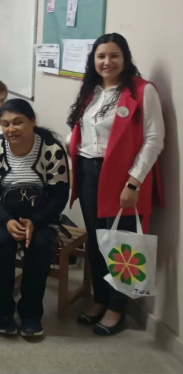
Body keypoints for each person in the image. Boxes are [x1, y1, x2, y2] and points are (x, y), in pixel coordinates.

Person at [67, 33, 164, 336]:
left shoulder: (142, 90)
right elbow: (82, 132)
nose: (107, 62)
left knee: (122, 244)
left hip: (123, 177)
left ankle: (116, 307)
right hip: (88, 173)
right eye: (101, 56)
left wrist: (134, 182)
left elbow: (154, 140)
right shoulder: (91, 91)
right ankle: (100, 297)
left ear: (125, 58)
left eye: (114, 55)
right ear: (93, 60)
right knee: (98, 241)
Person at [0, 99, 70, 337]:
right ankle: (2, 312)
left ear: (32, 121)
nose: (11, 129)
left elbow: (59, 196)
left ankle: (31, 313)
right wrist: (6, 220)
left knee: (40, 245)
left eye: (18, 122)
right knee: (1, 244)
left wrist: (35, 222)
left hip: (39, 215)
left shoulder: (51, 150)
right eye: (6, 124)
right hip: (2, 215)